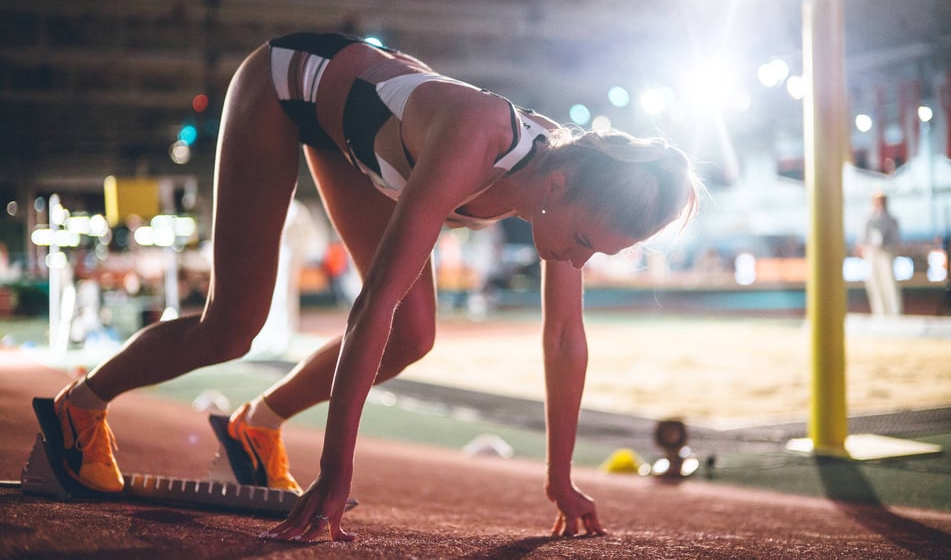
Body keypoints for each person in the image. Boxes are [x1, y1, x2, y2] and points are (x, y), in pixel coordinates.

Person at [48, 32, 700, 542]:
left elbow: (563, 339)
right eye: (584, 244)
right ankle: (79, 406)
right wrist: (337, 469)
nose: (576, 261)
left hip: (364, 141)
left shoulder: (567, 181)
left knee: (415, 337)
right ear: (557, 191)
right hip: (287, 85)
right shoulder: (479, 142)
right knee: (232, 325)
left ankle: (256, 429)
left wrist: (559, 480)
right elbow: (372, 306)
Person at [860, 191, 902, 316]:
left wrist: (885, 246)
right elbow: (863, 238)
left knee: (889, 283)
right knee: (874, 284)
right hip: (872, 255)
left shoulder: (892, 220)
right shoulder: (868, 220)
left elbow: (895, 238)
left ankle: (894, 313)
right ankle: (879, 313)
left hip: (886, 254)